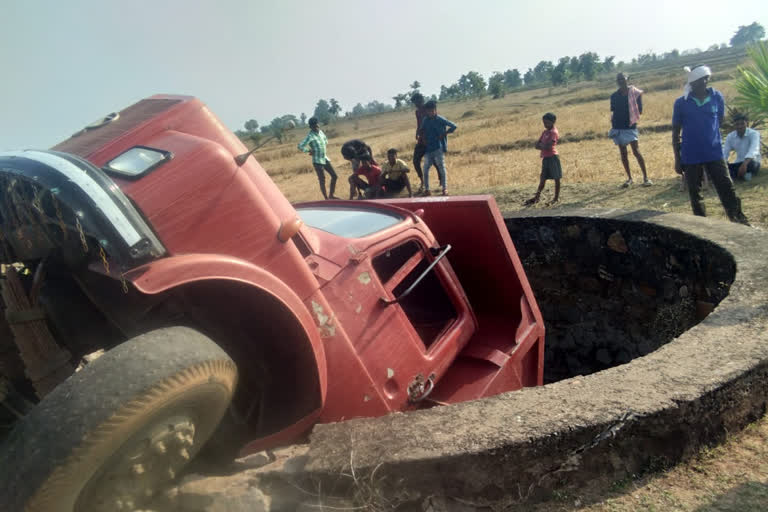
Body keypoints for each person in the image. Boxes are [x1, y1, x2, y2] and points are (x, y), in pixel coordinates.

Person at [672, 65, 749, 225]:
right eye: (701, 79)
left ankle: (739, 221)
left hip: (714, 152)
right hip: (690, 155)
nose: (706, 81)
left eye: (707, 78)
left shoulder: (716, 97)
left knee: (726, 186)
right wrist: (677, 159)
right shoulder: (681, 103)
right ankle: (702, 226)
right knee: (695, 192)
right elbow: (675, 133)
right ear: (693, 82)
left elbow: (718, 121)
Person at [610, 73, 652, 187]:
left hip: (630, 126)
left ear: (627, 79)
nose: (621, 81)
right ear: (617, 81)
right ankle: (629, 178)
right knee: (623, 153)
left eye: (622, 79)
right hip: (618, 126)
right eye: (618, 79)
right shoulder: (614, 96)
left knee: (636, 151)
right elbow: (613, 112)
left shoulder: (635, 93)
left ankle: (646, 178)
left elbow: (640, 110)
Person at [417, 100, 457, 196]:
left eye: (431, 111)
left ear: (435, 110)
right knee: (425, 169)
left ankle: (444, 188)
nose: (429, 113)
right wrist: (422, 138)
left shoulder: (440, 119)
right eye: (428, 111)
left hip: (438, 148)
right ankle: (427, 189)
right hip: (428, 149)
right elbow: (421, 130)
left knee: (441, 168)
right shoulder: (425, 120)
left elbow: (454, 126)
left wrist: (444, 133)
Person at [524, 113, 562, 206]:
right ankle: (537, 197)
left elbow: (548, 146)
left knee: (556, 178)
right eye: (543, 122)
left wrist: (542, 146)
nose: (544, 124)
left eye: (546, 122)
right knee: (543, 178)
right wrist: (543, 146)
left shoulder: (553, 132)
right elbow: (536, 145)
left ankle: (556, 198)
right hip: (545, 158)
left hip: (553, 157)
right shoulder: (545, 132)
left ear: (553, 122)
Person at [297, 117, 338, 199]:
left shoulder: (321, 133)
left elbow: (326, 140)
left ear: (318, 124)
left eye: (316, 125)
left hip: (325, 158)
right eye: (313, 126)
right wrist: (308, 151)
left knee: (334, 176)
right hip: (317, 161)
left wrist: (322, 147)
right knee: (322, 180)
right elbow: (300, 146)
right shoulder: (310, 136)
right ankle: (326, 199)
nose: (316, 127)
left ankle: (331, 195)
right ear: (310, 127)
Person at [723, 112, 761, 181]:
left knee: (751, 165)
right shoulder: (730, 136)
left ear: (746, 123)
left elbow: (754, 150)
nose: (740, 126)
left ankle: (735, 175)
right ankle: (742, 175)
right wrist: (723, 165)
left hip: (752, 162)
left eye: (742, 123)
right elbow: (725, 152)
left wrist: (745, 164)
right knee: (724, 168)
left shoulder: (754, 134)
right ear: (734, 125)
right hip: (738, 163)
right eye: (737, 124)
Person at [410, 93, 430, 194]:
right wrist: (417, 133)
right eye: (414, 103)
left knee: (435, 162)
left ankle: (441, 181)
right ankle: (422, 181)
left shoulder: (428, 108)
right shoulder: (417, 112)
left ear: (421, 100)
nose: (416, 104)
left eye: (416, 102)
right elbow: (419, 124)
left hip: (430, 140)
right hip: (421, 141)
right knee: (415, 161)